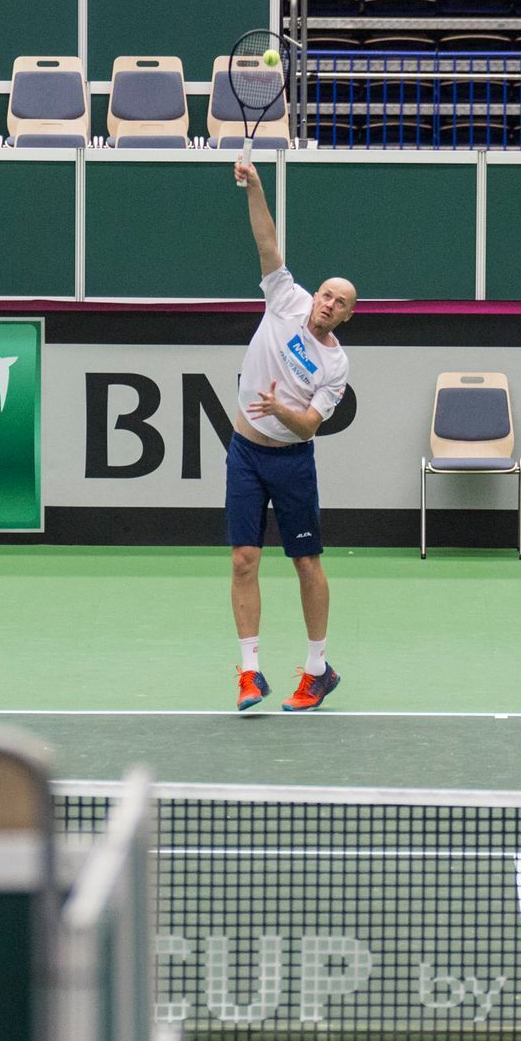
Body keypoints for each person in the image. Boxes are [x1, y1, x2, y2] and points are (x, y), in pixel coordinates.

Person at [226, 159, 357, 711]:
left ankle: (317, 668)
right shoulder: (285, 298)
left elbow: (310, 426)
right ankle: (250, 672)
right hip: (244, 454)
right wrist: (255, 187)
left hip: (291, 462)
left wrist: (280, 406)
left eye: (341, 302)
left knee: (306, 563)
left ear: (348, 316)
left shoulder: (336, 365)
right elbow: (267, 243)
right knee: (243, 560)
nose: (328, 302)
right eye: (326, 293)